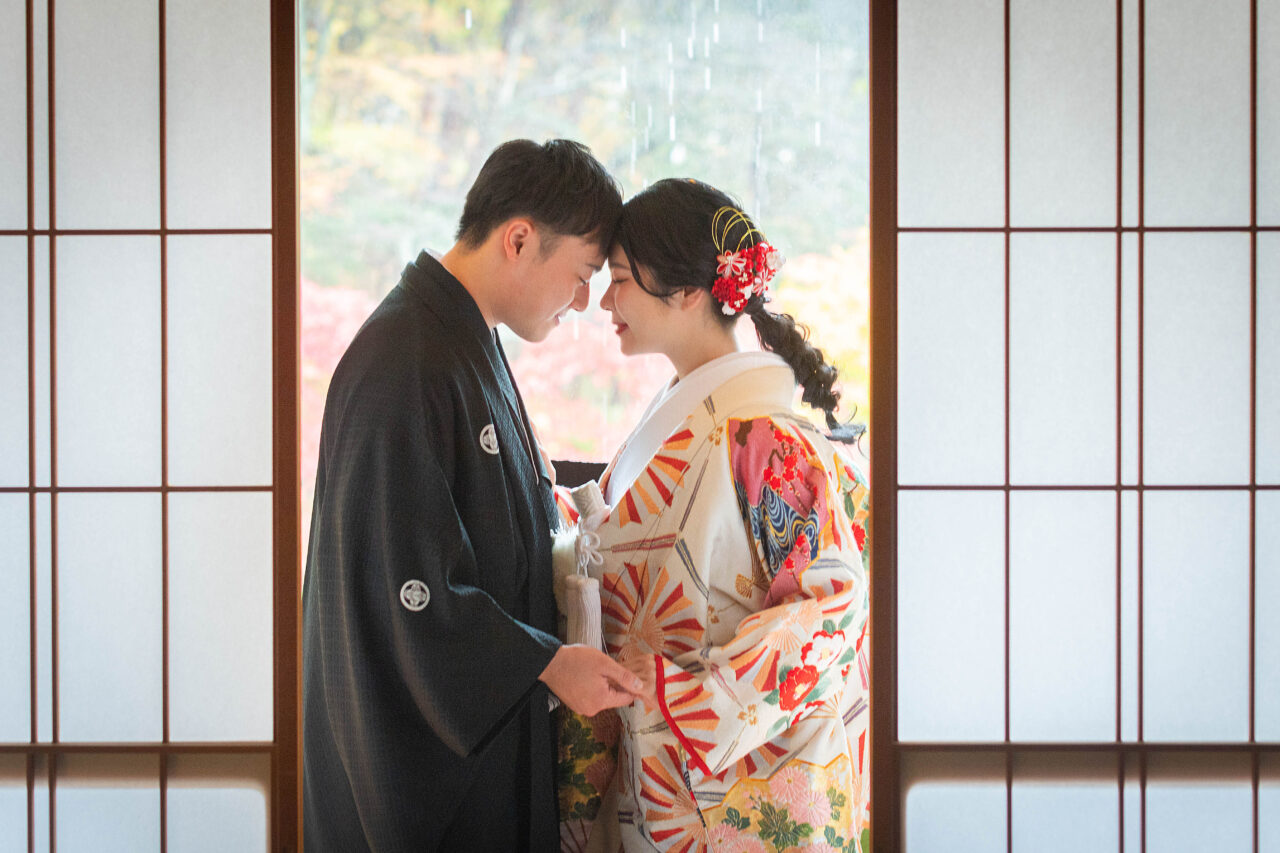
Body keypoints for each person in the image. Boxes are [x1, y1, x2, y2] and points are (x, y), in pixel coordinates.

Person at [302, 139, 650, 852]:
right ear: (518, 239)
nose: (584, 301)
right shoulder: (403, 359)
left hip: (478, 748)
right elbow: (407, 587)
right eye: (582, 274)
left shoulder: (460, 339)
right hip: (416, 766)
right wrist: (547, 662)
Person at [553, 178, 871, 852]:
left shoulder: (762, 437)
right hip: (662, 777)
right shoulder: (680, 421)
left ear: (688, 292)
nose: (606, 301)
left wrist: (695, 700)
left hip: (746, 779)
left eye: (621, 281)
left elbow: (831, 606)